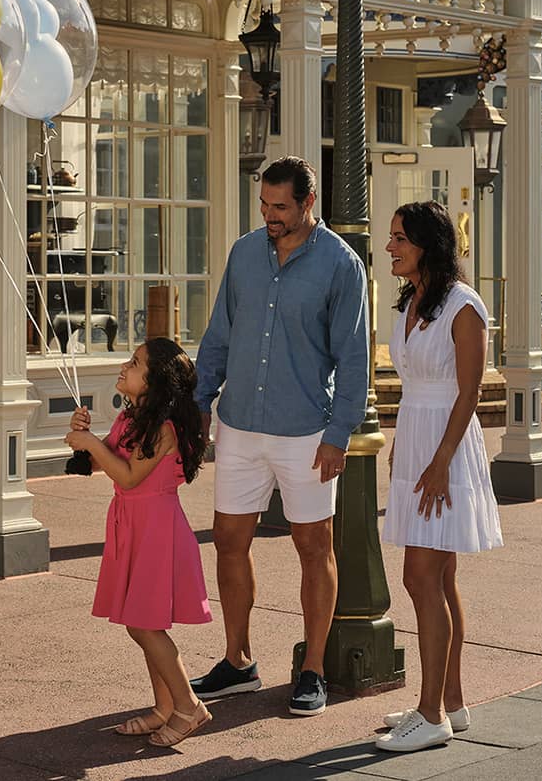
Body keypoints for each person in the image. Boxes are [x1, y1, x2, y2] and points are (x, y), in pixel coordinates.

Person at [190, 156, 371, 717]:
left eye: (281, 207)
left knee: (314, 547)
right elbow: (219, 332)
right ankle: (238, 661)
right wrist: (198, 401)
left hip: (306, 432)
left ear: (306, 203)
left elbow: (353, 355)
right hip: (239, 423)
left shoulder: (342, 265)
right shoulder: (244, 253)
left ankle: (312, 670)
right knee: (227, 539)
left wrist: (339, 432)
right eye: (264, 205)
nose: (270, 215)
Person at [373, 201, 503, 752]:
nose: (390, 247)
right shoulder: (414, 300)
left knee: (420, 578)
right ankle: (450, 701)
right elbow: (417, 387)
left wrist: (440, 461)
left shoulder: (463, 306)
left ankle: (429, 717)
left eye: (400, 237)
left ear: (428, 242)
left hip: (446, 451)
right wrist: (408, 443)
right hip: (420, 443)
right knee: (439, 579)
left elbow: (469, 392)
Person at [65, 338, 214, 748]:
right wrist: (87, 440)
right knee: (146, 620)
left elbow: (130, 477)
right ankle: (164, 707)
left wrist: (94, 445)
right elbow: (106, 463)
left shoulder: (164, 429)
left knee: (144, 624)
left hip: (156, 529)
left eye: (134, 363)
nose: (124, 367)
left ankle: (187, 706)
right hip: (132, 524)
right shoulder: (130, 419)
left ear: (156, 381)